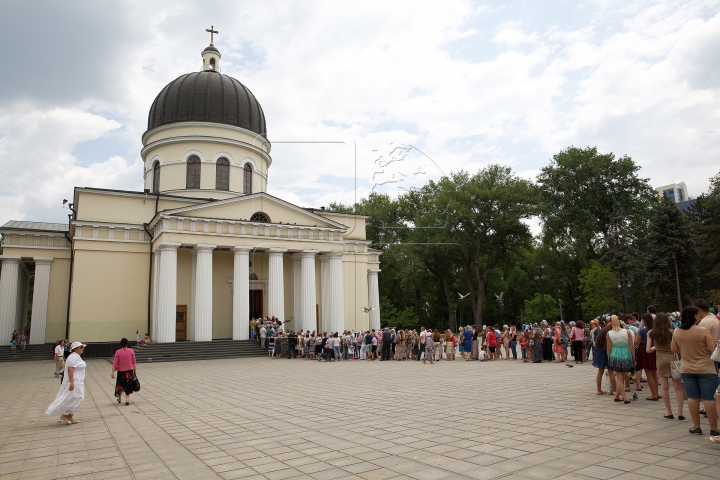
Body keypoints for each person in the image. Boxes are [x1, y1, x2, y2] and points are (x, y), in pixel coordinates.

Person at [671, 306, 719, 437]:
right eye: (698, 315)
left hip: (687, 368)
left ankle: (696, 426)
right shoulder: (703, 331)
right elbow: (712, 350)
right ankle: (713, 427)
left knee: (693, 397)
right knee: (709, 399)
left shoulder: (677, 331)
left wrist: (686, 352)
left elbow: (674, 349)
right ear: (694, 316)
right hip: (706, 368)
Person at [46, 342, 86, 425]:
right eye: (81, 347)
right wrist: (72, 382)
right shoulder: (72, 357)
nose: (83, 348)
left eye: (82, 347)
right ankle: (65, 414)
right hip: (74, 381)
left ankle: (70, 415)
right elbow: (70, 369)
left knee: (78, 398)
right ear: (75, 349)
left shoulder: (77, 357)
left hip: (79, 381)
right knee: (71, 397)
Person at [607, 315, 634, 404]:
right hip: (626, 353)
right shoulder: (627, 332)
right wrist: (634, 358)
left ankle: (618, 396)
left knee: (619, 377)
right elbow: (631, 346)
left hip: (615, 354)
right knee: (623, 375)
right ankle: (625, 397)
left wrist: (609, 357)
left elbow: (609, 348)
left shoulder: (609, 333)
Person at [636, 313, 659, 400]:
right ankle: (656, 392)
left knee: (649, 373)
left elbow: (637, 342)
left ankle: (653, 394)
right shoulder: (655, 330)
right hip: (655, 351)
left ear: (644, 321)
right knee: (654, 373)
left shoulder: (643, 331)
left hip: (645, 351)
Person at [112, 338, 137, 406]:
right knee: (128, 384)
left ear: (121, 344)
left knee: (120, 385)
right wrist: (135, 371)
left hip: (121, 372)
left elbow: (114, 363)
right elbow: (134, 362)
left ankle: (119, 398)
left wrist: (112, 372)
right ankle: (127, 399)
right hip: (129, 371)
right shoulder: (131, 351)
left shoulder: (118, 352)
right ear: (127, 344)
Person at [592, 324, 614, 395]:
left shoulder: (601, 333)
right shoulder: (610, 333)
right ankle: (615, 389)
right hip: (606, 352)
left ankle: (599, 390)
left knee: (600, 372)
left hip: (600, 352)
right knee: (611, 372)